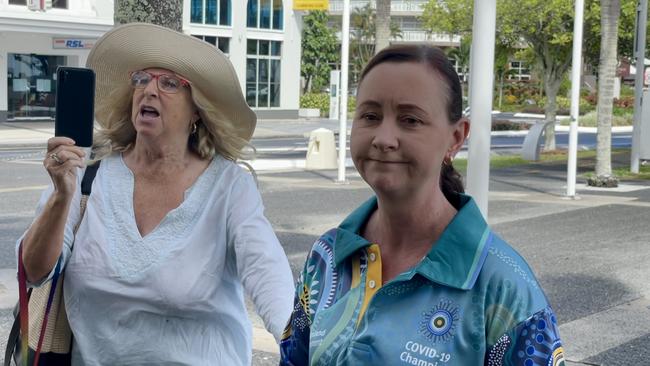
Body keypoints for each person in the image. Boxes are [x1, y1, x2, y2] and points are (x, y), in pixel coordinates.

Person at [17, 23, 294, 365]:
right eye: (141, 79)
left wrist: (299, 345)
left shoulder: (228, 185)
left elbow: (267, 271)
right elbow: (32, 271)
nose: (149, 90)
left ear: (197, 110)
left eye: (169, 83)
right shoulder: (88, 171)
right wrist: (61, 195)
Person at [279, 44, 565, 365]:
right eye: (370, 116)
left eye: (410, 120)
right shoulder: (328, 256)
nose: (384, 138)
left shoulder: (503, 288)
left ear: (456, 137)